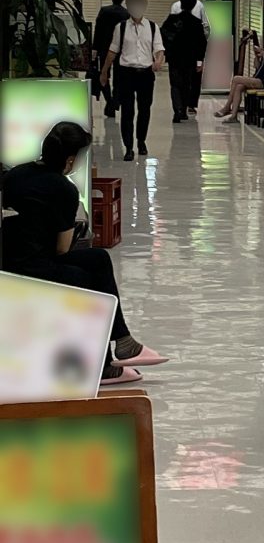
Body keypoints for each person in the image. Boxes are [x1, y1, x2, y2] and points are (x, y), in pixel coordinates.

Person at [1, 123, 168, 385]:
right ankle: (103, 365)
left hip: (11, 257)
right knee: (85, 279)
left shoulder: (16, 174)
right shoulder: (64, 190)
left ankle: (122, 342)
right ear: (69, 160)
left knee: (99, 258)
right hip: (32, 267)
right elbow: (62, 248)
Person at [100, 0, 164, 161]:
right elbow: (113, 51)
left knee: (145, 109)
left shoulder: (152, 27)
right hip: (125, 74)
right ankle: (128, 147)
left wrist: (159, 61)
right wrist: (104, 71)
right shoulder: (120, 27)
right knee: (127, 111)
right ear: (127, 6)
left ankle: (141, 141)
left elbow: (159, 49)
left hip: (145, 74)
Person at [215, 25, 264, 124]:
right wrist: (257, 57)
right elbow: (258, 66)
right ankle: (233, 116)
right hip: (258, 78)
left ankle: (227, 107)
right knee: (239, 87)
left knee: (236, 79)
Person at [161, 0, 208, 124]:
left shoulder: (172, 20)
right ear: (193, 6)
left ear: (181, 4)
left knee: (175, 84)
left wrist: (166, 52)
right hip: (190, 59)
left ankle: (177, 110)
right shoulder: (196, 22)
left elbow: (163, 35)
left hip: (174, 58)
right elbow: (202, 44)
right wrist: (200, 61)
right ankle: (184, 110)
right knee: (187, 84)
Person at [91, 0, 129, 118]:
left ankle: (109, 100)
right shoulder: (126, 14)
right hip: (121, 49)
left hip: (104, 48)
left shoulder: (104, 11)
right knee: (119, 77)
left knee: (103, 74)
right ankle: (114, 102)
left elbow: (98, 30)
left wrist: (94, 48)